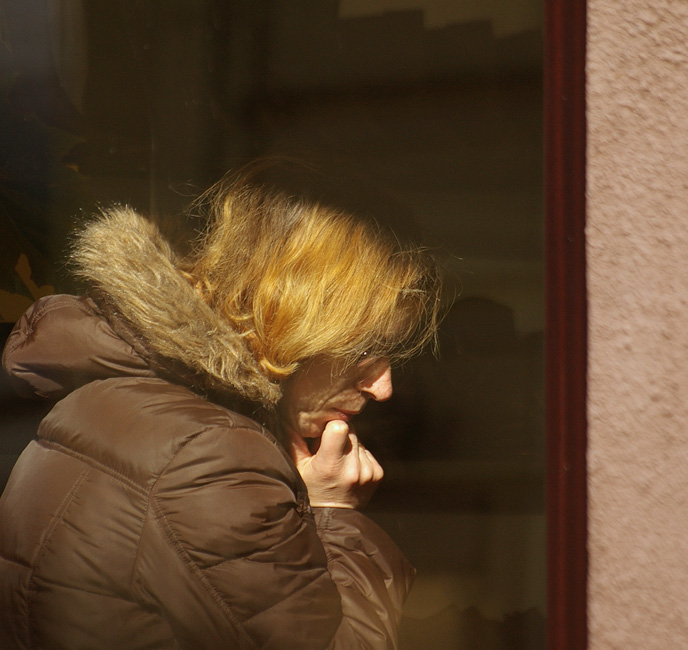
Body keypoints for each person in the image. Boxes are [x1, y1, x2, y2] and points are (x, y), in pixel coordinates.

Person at [0, 166, 441, 649]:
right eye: (364, 350)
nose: (383, 388)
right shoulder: (209, 454)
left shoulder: (128, 400)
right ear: (292, 315)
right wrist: (336, 515)